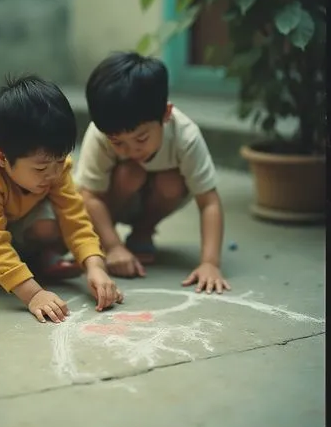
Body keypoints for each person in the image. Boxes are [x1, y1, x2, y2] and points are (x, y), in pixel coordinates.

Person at [0, 75, 124, 322]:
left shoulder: (52, 164)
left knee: (60, 210)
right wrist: (33, 294)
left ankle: (38, 257)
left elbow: (75, 219)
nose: (53, 173)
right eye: (40, 169)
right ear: (0, 157)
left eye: (60, 161)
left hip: (16, 232)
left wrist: (95, 266)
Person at [75, 51, 231, 294]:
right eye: (118, 142)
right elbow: (89, 196)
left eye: (141, 138)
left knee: (171, 182)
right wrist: (113, 246)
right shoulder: (101, 133)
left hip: (158, 198)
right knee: (130, 172)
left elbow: (208, 200)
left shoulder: (185, 136)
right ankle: (109, 240)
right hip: (114, 201)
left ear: (166, 114)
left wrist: (210, 263)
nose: (130, 149)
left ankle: (143, 232)